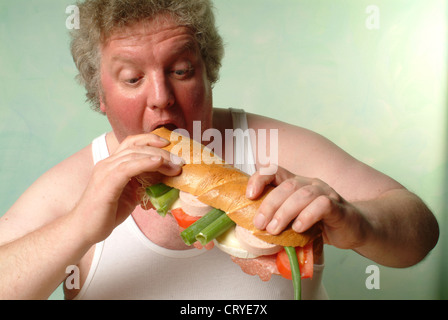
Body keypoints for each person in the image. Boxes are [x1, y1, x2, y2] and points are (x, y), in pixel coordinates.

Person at [0, 0, 439, 300]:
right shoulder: (73, 185)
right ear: (100, 94)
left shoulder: (273, 147)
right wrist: (77, 228)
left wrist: (354, 221)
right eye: (132, 78)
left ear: (210, 72)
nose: (161, 97)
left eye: (181, 70)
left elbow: (419, 230)